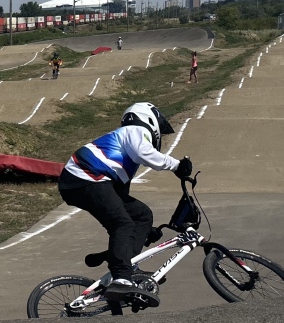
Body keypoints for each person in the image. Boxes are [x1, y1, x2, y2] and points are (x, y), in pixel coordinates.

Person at [57, 102, 193, 307]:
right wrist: (177, 165)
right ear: (149, 119)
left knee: (141, 215)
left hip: (89, 182)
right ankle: (121, 279)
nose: (160, 136)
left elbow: (120, 195)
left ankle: (124, 262)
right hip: (85, 178)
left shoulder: (124, 155)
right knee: (122, 225)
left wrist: (145, 231)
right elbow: (146, 154)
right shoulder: (134, 130)